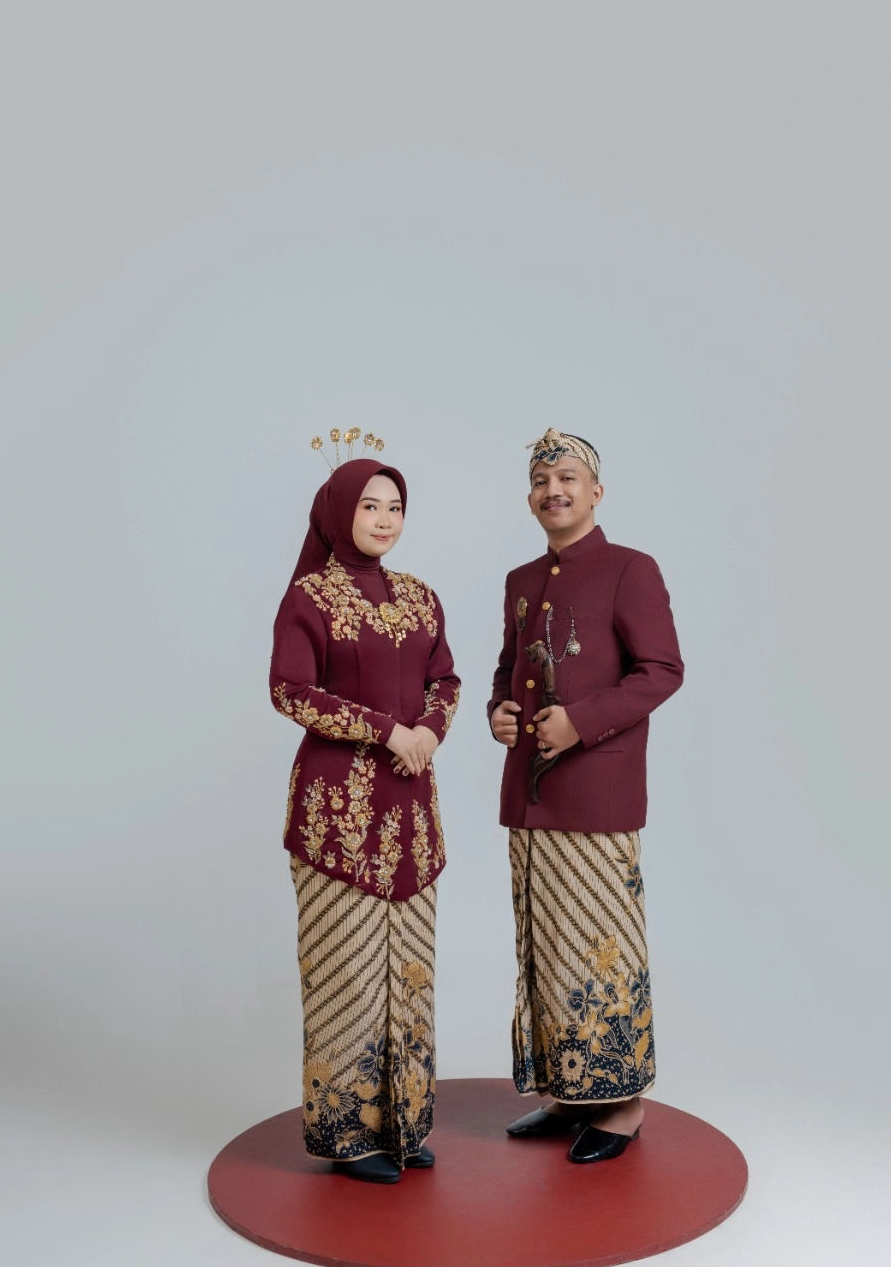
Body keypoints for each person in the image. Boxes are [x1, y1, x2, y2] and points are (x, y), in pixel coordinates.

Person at [489, 428, 684, 1163]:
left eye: (568, 477)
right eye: (541, 481)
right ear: (529, 497)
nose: (554, 491)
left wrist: (580, 722)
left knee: (602, 949)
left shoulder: (631, 568)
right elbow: (507, 667)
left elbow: (661, 669)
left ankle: (622, 1104)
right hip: (530, 794)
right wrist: (498, 712)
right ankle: (571, 1092)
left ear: (596, 491)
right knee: (545, 946)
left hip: (597, 791)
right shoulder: (520, 580)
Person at [270, 432, 460, 1183]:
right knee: (346, 971)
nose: (385, 519)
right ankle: (348, 1138)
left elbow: (445, 680)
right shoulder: (309, 598)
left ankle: (404, 1126)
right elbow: (290, 690)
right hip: (338, 817)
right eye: (370, 506)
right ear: (339, 511)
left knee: (409, 968)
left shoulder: (420, 596)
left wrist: (429, 734)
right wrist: (388, 732)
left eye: (396, 507)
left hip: (410, 810)